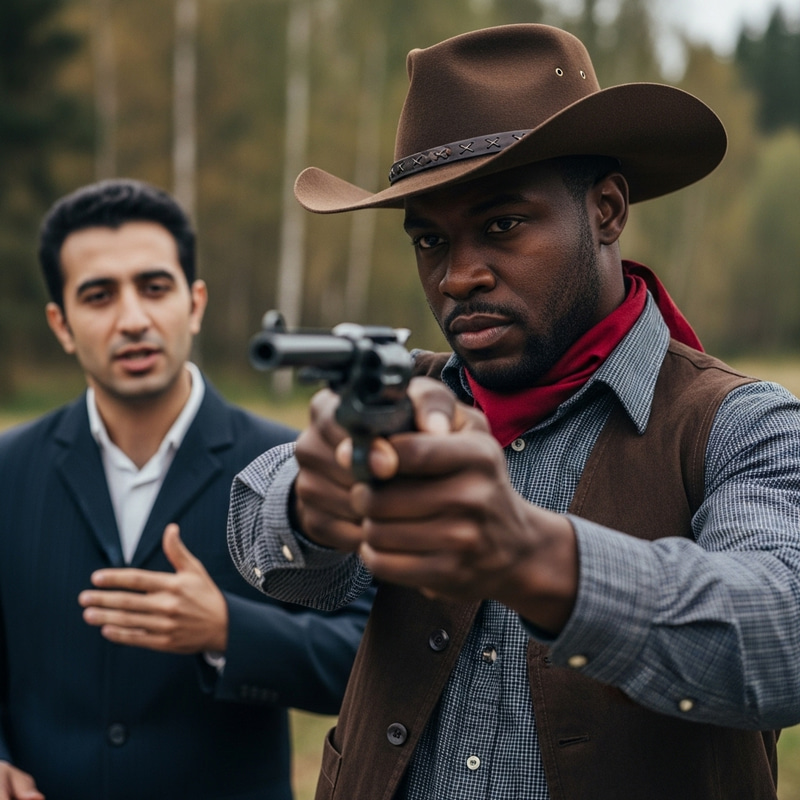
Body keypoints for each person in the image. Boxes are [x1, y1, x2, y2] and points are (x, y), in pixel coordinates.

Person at [227, 23, 800, 800]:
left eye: (502, 226)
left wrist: (534, 557)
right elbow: (258, 523)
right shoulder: (411, 395)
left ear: (605, 209)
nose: (458, 276)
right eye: (430, 241)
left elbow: (780, 637)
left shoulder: (743, 423)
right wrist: (313, 504)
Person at [0, 178, 372, 800]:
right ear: (61, 324)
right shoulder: (8, 470)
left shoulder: (292, 465)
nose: (134, 319)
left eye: (154, 287)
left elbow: (368, 659)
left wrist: (230, 630)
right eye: (98, 295)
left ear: (194, 303)